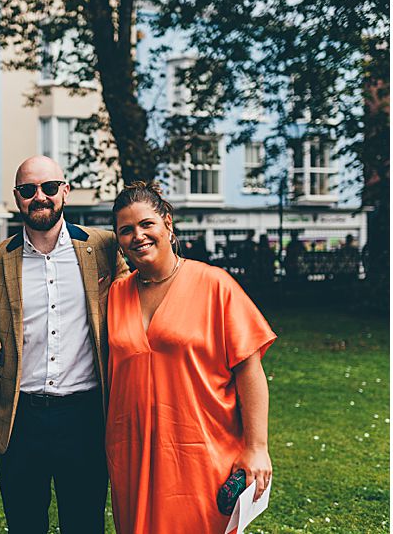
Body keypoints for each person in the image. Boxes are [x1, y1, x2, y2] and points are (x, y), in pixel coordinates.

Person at [104, 184, 275, 534]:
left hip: (201, 450)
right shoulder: (115, 295)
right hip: (132, 455)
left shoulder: (215, 285)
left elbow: (250, 368)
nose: (138, 235)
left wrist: (257, 448)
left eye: (146, 224)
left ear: (168, 224)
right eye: (126, 230)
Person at [0, 157, 121, 534]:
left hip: (85, 414)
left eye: (48, 187)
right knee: (25, 523)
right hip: (19, 415)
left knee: (84, 522)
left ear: (65, 191)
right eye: (28, 191)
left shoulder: (103, 246)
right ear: (17, 198)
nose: (39, 197)